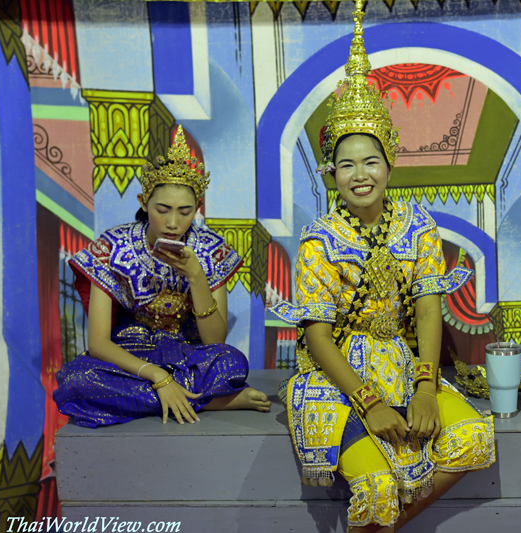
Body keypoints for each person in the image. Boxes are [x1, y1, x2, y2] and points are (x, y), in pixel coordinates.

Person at [269, 2, 495, 530]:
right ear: (332, 174)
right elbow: (318, 338)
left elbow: (429, 311)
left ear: (390, 162)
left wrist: (423, 387)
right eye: (346, 164)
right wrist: (369, 403)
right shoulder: (319, 241)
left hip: (403, 361)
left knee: (473, 438)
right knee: (373, 488)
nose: (360, 174)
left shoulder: (419, 227)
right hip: (338, 374)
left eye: (370, 161)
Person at [54, 126, 271, 428]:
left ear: (198, 208)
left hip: (185, 351)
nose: (172, 222)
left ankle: (172, 397)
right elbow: (99, 343)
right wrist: (158, 377)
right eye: (162, 209)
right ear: (143, 202)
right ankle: (212, 401)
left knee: (232, 362)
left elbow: (215, 341)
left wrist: (196, 277)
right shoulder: (112, 246)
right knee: (78, 380)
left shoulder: (209, 249)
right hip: (130, 355)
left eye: (185, 212)